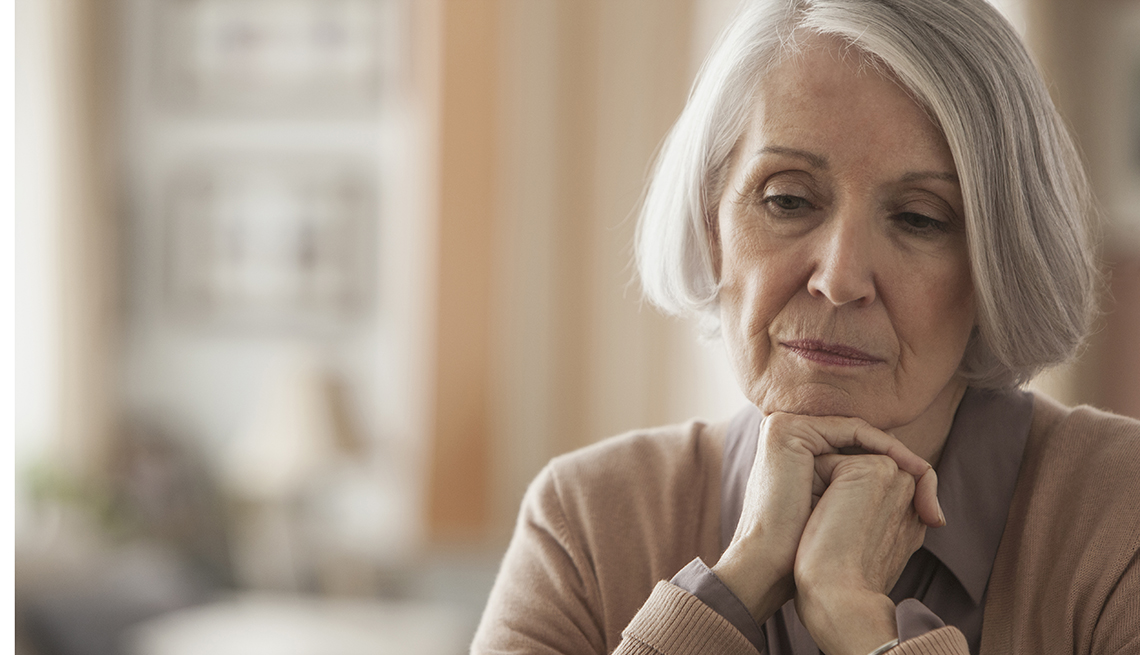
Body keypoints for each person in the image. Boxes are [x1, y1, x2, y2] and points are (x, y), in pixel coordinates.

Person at [472, 0, 1140, 653]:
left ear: (999, 261)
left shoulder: (1122, 515)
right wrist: (735, 584)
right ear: (711, 224)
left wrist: (857, 619)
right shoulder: (585, 522)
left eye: (919, 218)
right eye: (787, 200)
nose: (840, 278)